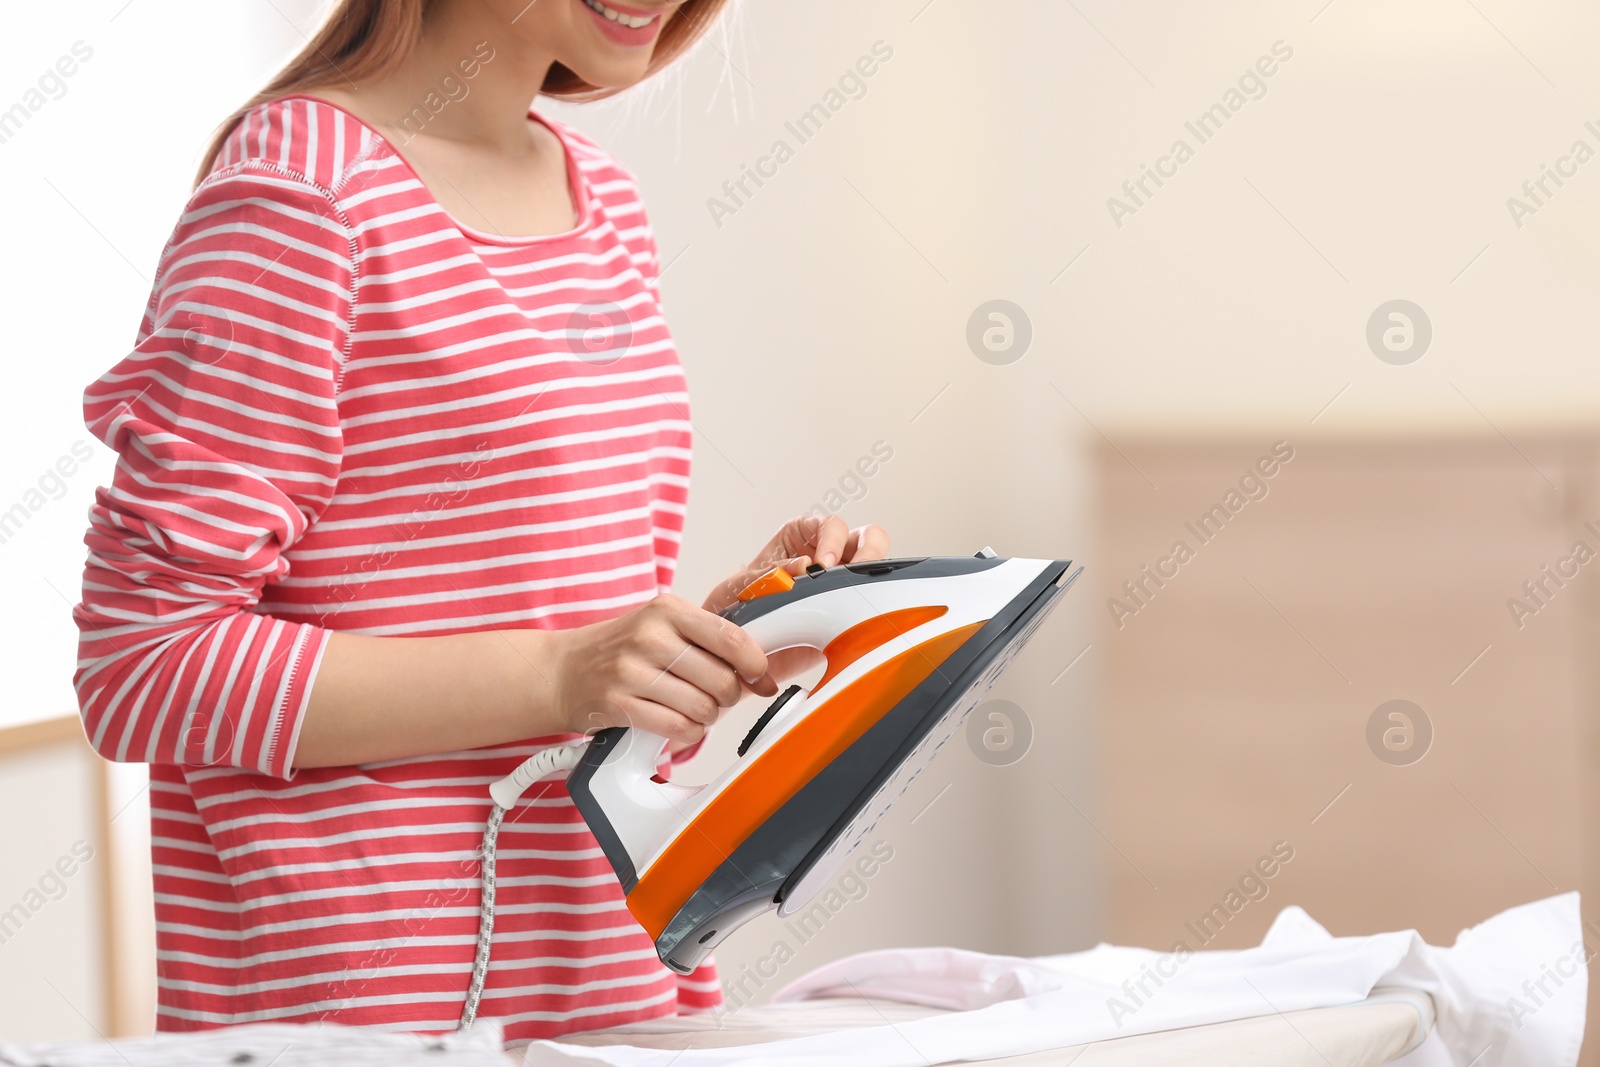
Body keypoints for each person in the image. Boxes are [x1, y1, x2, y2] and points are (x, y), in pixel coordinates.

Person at [72, 0, 888, 1043]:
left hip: (614, 971)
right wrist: (559, 670)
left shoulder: (600, 195)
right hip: (370, 1010)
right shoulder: (298, 195)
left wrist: (726, 630)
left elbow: (545, 612)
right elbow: (143, 666)